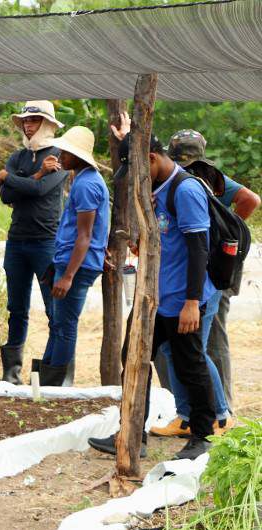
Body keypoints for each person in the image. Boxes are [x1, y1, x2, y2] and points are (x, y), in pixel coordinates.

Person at [88, 134, 217, 461]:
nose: (135, 178)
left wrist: (192, 303)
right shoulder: (156, 188)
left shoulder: (185, 190)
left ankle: (202, 436)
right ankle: (133, 433)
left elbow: (199, 250)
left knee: (190, 366)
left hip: (181, 300)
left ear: (150, 158)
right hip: (153, 298)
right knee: (132, 356)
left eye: (136, 169)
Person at [149, 129, 257, 437]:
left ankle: (219, 415)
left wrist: (223, 232)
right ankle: (188, 415)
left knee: (198, 350)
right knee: (182, 350)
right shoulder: (188, 177)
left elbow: (250, 200)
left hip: (204, 279)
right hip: (193, 278)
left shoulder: (195, 180)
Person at [0, 101, 69, 385]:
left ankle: (55, 372)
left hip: (46, 241)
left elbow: (39, 190)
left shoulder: (60, 155)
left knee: (54, 309)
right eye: (25, 121)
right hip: (17, 241)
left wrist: (11, 178)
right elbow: (6, 196)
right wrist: (36, 175)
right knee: (16, 308)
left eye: (34, 121)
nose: (28, 126)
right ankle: (11, 373)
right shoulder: (18, 156)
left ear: (48, 124)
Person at [37, 126, 109, 386]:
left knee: (65, 325)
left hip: (76, 265)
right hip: (70, 261)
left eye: (66, 153)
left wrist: (68, 276)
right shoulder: (81, 179)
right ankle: (45, 382)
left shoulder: (87, 184)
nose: (60, 156)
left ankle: (55, 385)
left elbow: (85, 235)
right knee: (58, 324)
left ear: (79, 156)